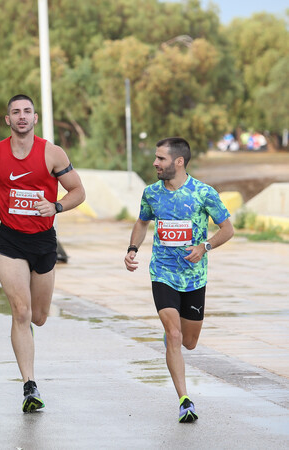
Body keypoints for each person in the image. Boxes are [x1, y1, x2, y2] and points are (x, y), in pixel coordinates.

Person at [0, 94, 85, 413]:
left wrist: (56, 206)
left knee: (39, 316)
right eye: (15, 112)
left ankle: (29, 328)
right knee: (21, 312)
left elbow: (78, 190)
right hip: (10, 241)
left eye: (27, 111)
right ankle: (29, 385)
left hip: (43, 241)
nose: (21, 116)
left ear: (35, 118)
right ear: (7, 119)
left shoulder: (52, 153)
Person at [124, 137, 234, 423]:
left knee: (189, 341)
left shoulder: (203, 193)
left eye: (160, 158)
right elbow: (141, 222)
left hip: (195, 277)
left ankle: (174, 337)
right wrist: (132, 249)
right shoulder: (151, 193)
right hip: (162, 272)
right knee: (173, 336)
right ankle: (185, 401)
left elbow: (227, 229)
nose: (155, 163)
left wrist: (204, 247)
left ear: (179, 162)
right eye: (156, 158)